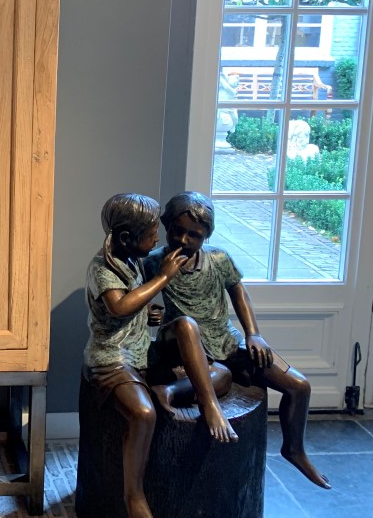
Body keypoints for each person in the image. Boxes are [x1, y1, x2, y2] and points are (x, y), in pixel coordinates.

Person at [145, 191, 331, 490]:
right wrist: (149, 313)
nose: (183, 240)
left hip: (225, 342)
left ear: (206, 235)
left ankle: (294, 449)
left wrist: (253, 333)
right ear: (167, 225)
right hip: (180, 343)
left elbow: (238, 291)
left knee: (299, 386)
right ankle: (194, 400)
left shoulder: (218, 259)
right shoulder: (154, 262)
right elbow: (136, 300)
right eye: (177, 231)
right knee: (196, 340)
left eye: (194, 235)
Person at [83, 193, 238, 518]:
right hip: (114, 358)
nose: (158, 238)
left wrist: (148, 314)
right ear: (127, 238)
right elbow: (119, 306)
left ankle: (203, 401)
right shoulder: (102, 268)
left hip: (143, 350)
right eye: (152, 232)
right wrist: (163, 278)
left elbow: (133, 306)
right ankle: (134, 495)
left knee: (196, 340)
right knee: (144, 414)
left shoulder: (133, 260)